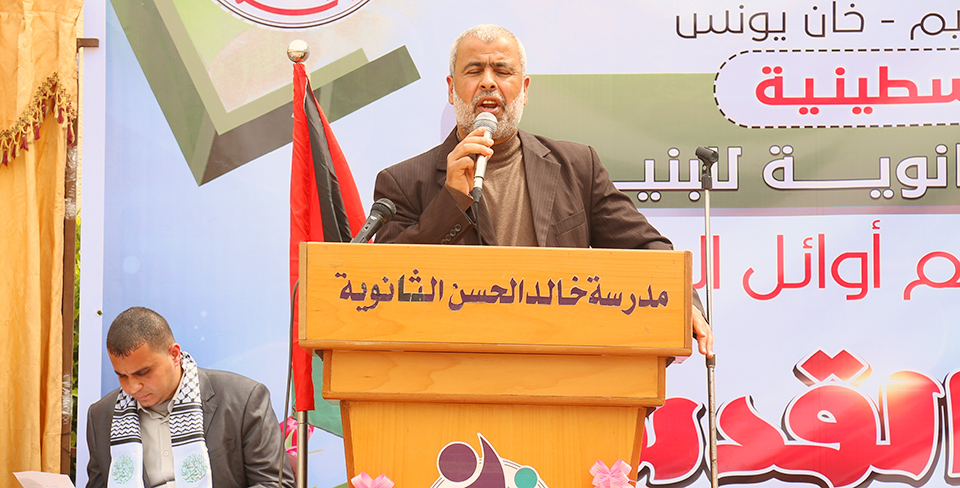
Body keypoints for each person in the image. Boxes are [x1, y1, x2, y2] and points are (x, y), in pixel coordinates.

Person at [373, 24, 713, 357]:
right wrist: (451, 201)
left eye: (502, 71)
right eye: (474, 71)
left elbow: (646, 249)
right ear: (451, 89)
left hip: (557, 365)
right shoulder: (403, 181)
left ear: (524, 89)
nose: (488, 82)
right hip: (450, 367)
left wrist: (686, 304)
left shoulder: (577, 167)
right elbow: (381, 284)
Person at [85, 306, 295, 488]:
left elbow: (275, 484)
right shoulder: (101, 416)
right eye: (122, 376)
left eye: (144, 372)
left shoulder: (243, 399)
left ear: (174, 355)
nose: (132, 387)